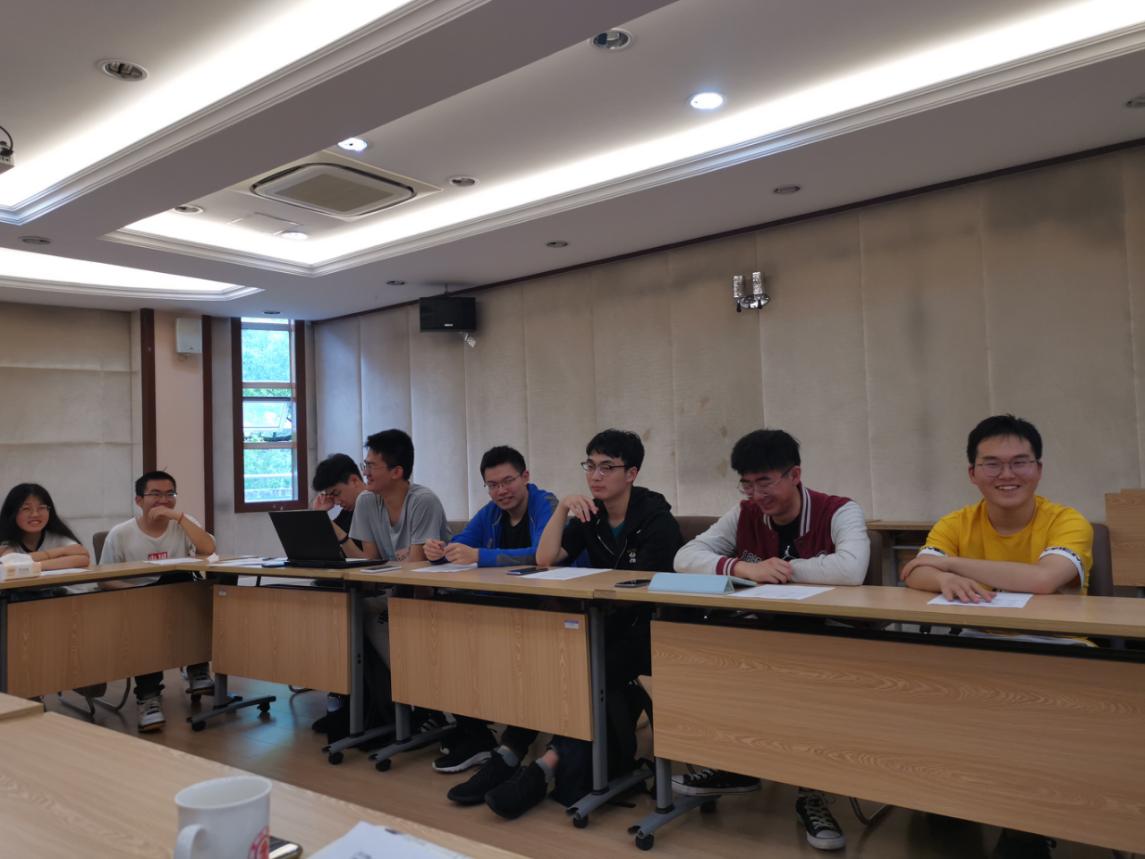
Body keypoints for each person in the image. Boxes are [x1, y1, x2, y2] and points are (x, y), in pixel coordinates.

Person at [901, 414, 1092, 859]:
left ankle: (1027, 826)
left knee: (1027, 714)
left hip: (1058, 649)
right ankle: (955, 793)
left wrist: (951, 564)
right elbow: (914, 573)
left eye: (1019, 462)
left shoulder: (1067, 520)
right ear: (973, 473)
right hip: (980, 642)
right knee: (921, 686)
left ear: (1038, 469)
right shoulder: (956, 522)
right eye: (992, 464)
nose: (1007, 474)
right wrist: (939, 577)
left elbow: (1044, 580)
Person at [672, 428, 870, 852]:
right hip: (762, 634)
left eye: (765, 482)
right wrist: (743, 569)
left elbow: (851, 569)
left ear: (794, 475)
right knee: (710, 661)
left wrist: (778, 568)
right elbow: (684, 557)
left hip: (827, 639)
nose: (756, 494)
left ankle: (814, 793)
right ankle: (737, 766)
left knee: (806, 686)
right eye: (747, 483)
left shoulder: (839, 510)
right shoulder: (744, 512)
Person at [482, 429, 682, 820]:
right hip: (605, 627)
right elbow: (545, 559)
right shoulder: (592, 515)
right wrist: (562, 510)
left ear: (631, 473)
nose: (595, 475)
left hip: (649, 633)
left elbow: (646, 593)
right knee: (556, 658)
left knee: (579, 669)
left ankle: (546, 764)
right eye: (590, 466)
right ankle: (513, 752)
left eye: (607, 467)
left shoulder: (657, 520)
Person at [423, 445, 558, 803]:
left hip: (549, 613)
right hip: (502, 610)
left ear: (526, 477)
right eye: (492, 485)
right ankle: (476, 735)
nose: (501, 491)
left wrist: (480, 556)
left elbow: (543, 555)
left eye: (508, 481)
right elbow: (462, 544)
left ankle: (509, 750)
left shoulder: (545, 504)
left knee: (525, 661)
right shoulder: (491, 513)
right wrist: (441, 552)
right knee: (450, 641)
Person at [99, 471, 216, 732]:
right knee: (145, 622)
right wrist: (141, 593)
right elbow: (104, 579)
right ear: (139, 500)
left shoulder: (184, 524)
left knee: (193, 586)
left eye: (169, 494)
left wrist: (179, 517)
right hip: (139, 604)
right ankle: (148, 696)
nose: (163, 500)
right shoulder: (120, 534)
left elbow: (208, 549)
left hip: (180, 600)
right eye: (155, 494)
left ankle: (198, 669)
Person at [0, 483, 91, 574]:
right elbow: (9, 563)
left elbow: (83, 558)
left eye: (41, 508)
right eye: (26, 509)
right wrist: (61, 552)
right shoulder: (6, 540)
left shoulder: (55, 536)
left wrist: (33, 566)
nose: (35, 514)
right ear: (12, 513)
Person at [310, 453, 367, 550]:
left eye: (336, 493)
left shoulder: (373, 507)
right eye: (332, 496)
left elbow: (368, 557)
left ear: (354, 481)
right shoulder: (348, 511)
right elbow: (319, 545)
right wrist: (319, 514)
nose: (336, 502)